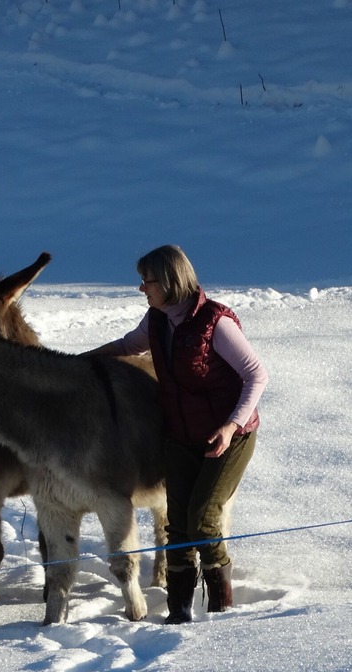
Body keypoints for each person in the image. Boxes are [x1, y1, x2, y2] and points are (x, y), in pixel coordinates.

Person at [85, 245, 267, 624]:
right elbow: (126, 346)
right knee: (179, 526)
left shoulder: (215, 322)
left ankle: (220, 607)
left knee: (203, 519)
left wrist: (231, 425)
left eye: (146, 281)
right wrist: (77, 363)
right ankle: (179, 612)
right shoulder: (157, 319)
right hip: (182, 438)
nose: (141, 289)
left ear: (168, 280)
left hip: (228, 438)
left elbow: (256, 375)